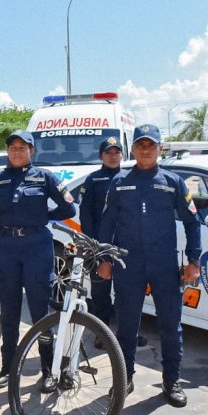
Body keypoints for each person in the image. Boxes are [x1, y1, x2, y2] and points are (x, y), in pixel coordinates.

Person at [98, 124, 201, 407]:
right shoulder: (119, 181)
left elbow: (192, 222)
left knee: (170, 324)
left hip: (164, 263)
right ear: (132, 149)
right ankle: (125, 378)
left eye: (151, 145)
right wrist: (105, 259)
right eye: (140, 145)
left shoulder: (173, 181)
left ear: (160, 149)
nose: (145, 150)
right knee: (126, 325)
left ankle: (171, 380)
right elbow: (107, 223)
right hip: (127, 263)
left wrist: (194, 261)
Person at [0, 130, 76, 391]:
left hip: (37, 247)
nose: (17, 152)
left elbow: (68, 207)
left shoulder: (45, 177)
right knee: (9, 311)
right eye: (13, 148)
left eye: (23, 147)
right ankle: (8, 368)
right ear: (8, 151)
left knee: (40, 313)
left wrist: (43, 215)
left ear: (32, 151)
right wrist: (0, 215)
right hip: (8, 248)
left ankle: (48, 370)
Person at [79, 137, 122, 334]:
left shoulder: (129, 177)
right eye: (108, 153)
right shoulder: (93, 180)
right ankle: (101, 334)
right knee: (100, 292)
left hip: (124, 244)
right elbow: (85, 214)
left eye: (116, 152)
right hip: (99, 244)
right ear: (100, 156)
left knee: (127, 293)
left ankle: (128, 333)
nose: (113, 157)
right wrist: (92, 244)